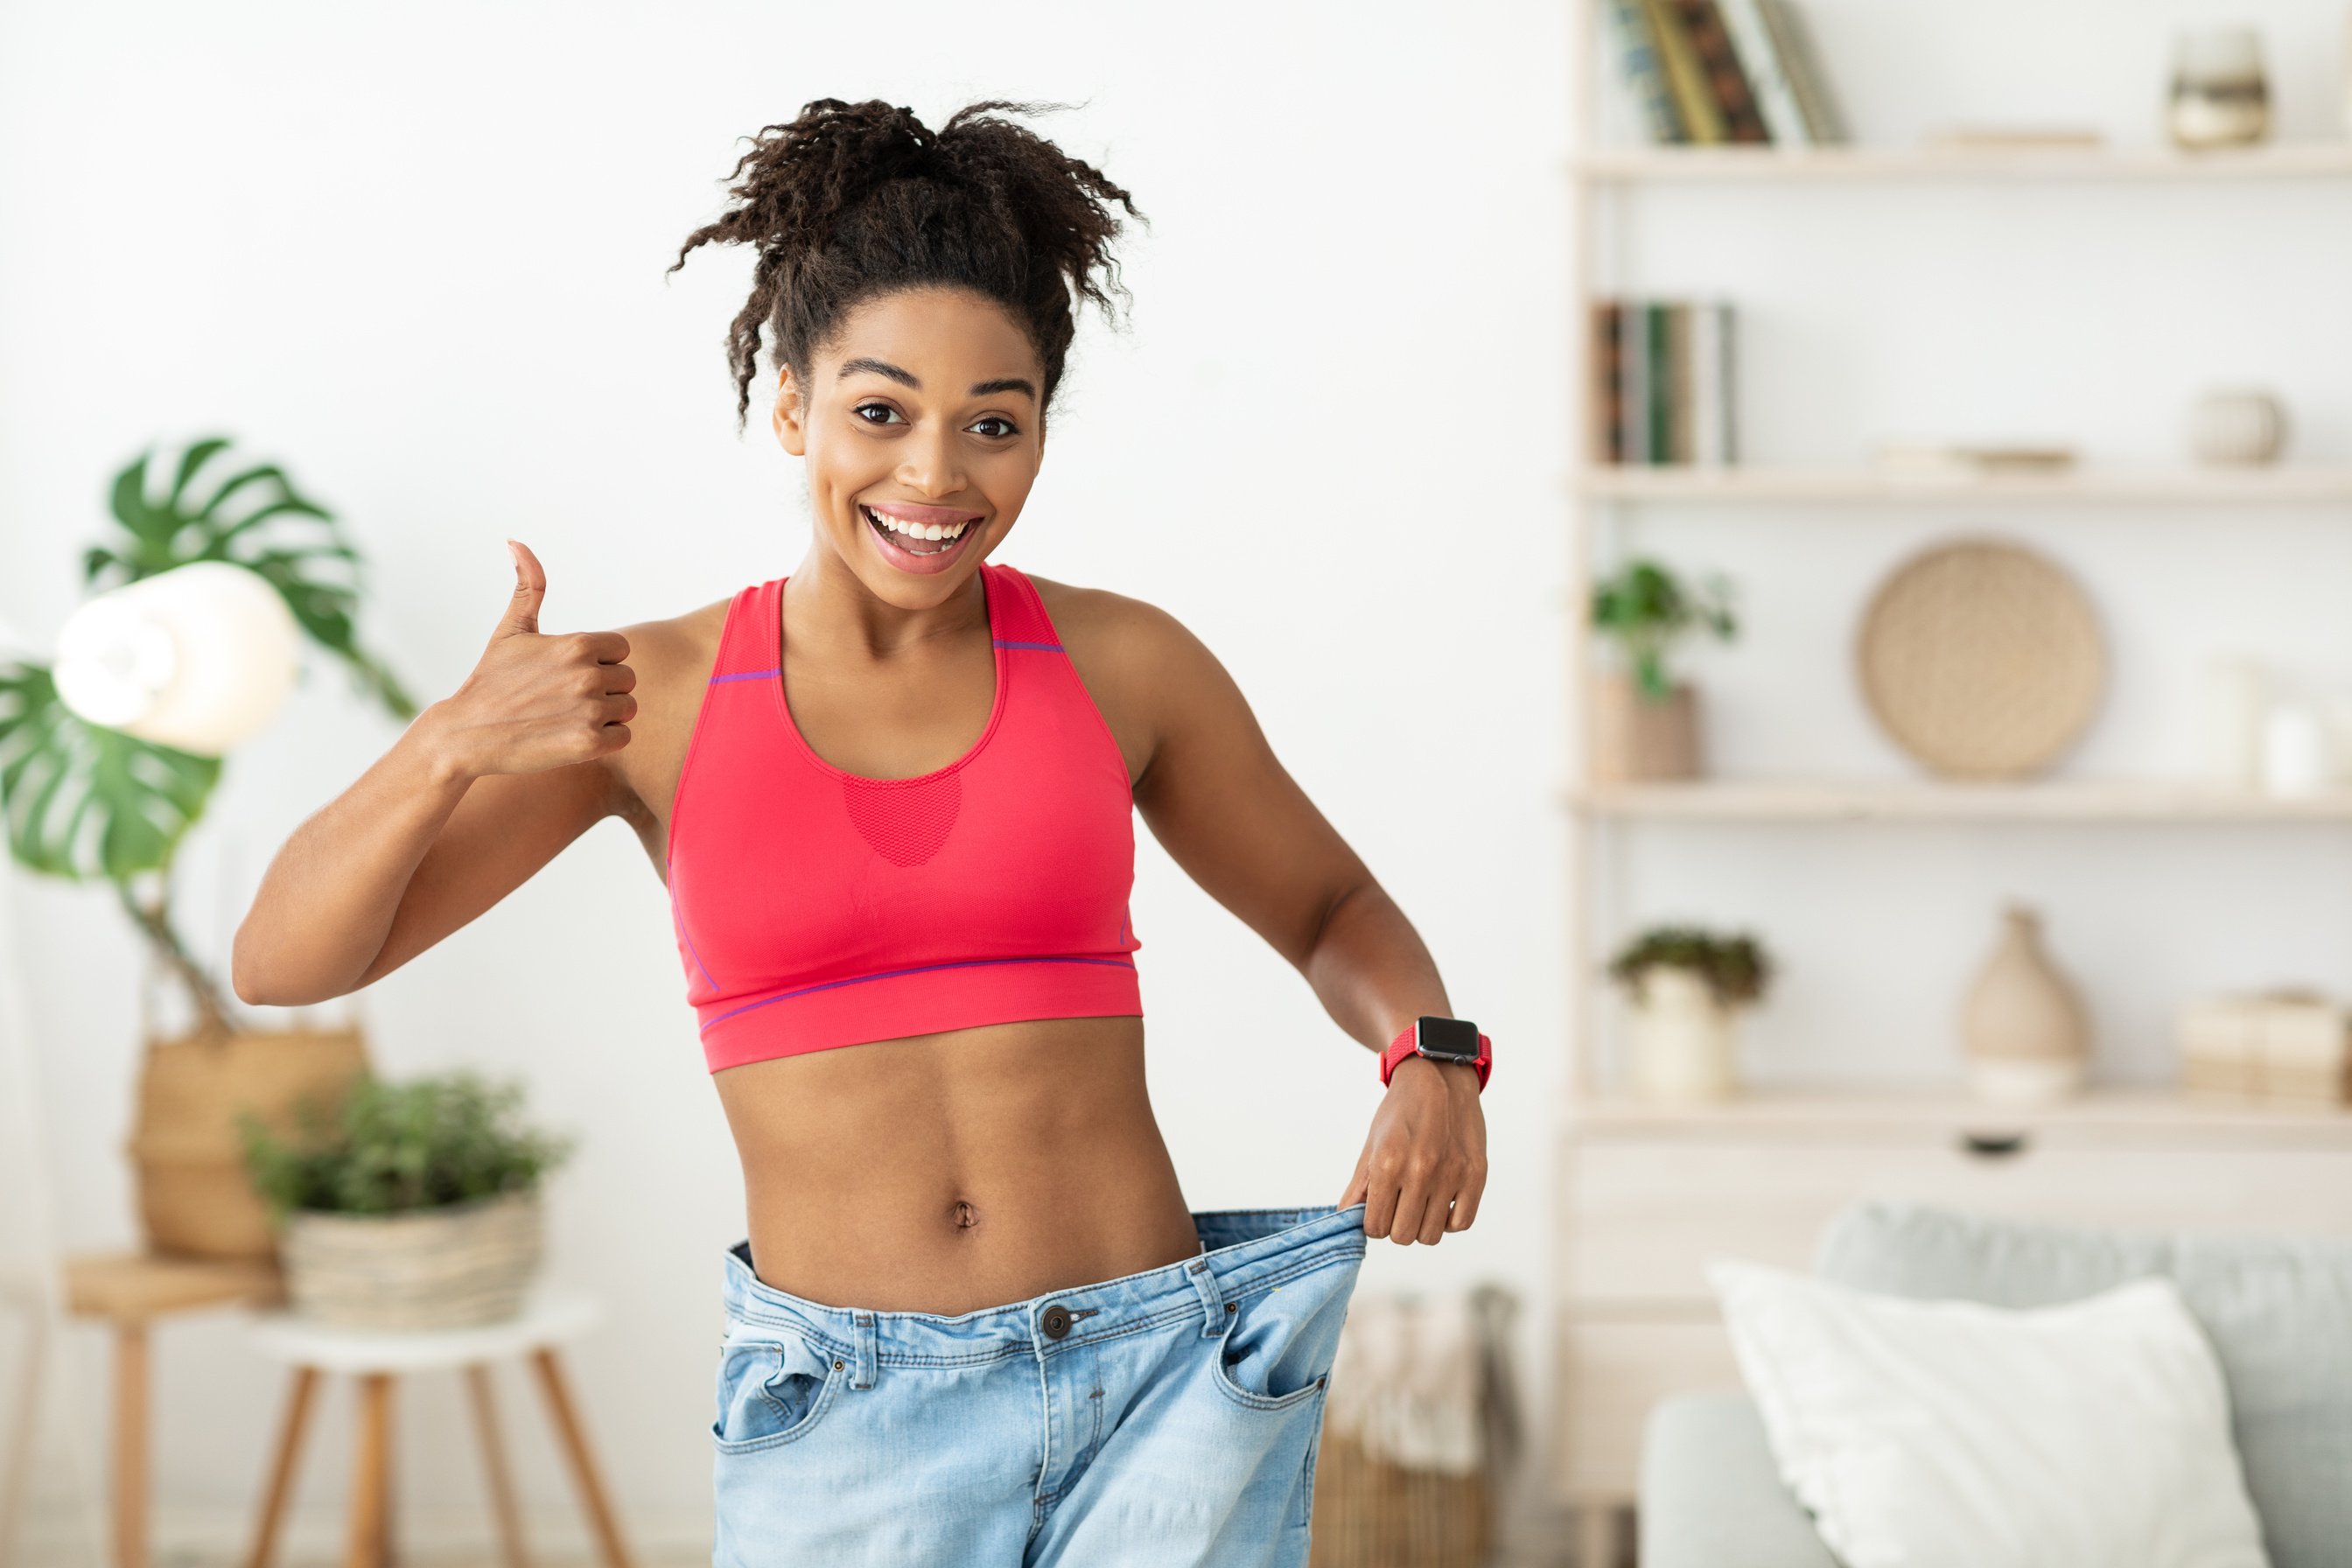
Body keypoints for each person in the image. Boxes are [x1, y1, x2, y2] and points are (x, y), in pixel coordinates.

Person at [231, 96, 1490, 1568]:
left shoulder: (1126, 665)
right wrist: (448, 743)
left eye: (994, 425)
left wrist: (1432, 1053)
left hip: (1163, 1377)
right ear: (790, 404)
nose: (935, 477)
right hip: (850, 1412)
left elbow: (1329, 901)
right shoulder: (654, 698)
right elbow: (283, 962)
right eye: (880, 411)